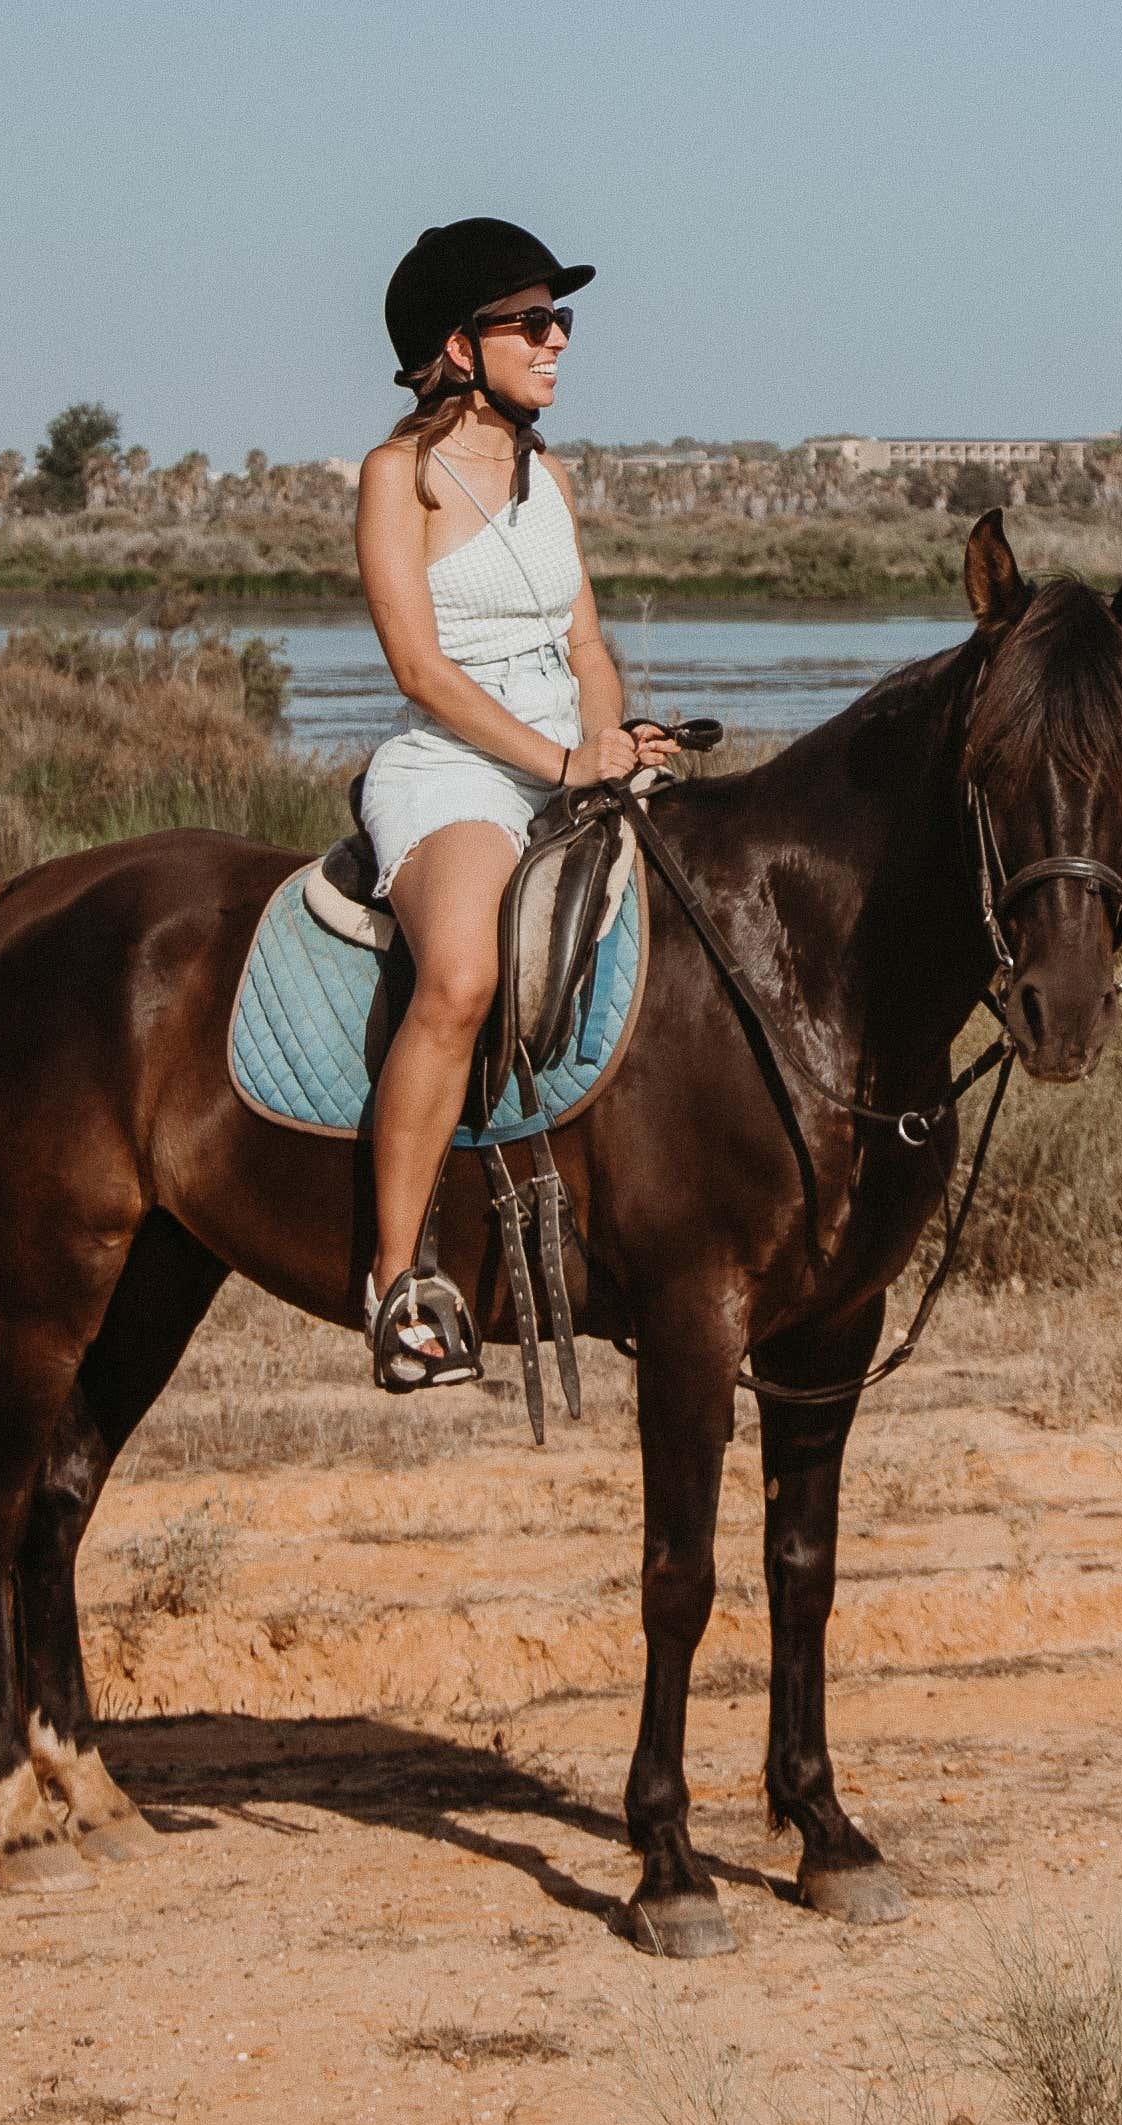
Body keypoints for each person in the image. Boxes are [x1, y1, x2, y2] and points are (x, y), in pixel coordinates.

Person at [346, 217, 670, 1391]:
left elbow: (585, 642)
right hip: (453, 765)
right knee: (464, 977)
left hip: (559, 755)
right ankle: (396, 1284)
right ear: (459, 347)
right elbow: (420, 672)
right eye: (533, 322)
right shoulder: (399, 477)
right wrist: (553, 759)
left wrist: (606, 734)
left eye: (561, 320)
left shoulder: (550, 478)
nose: (557, 342)